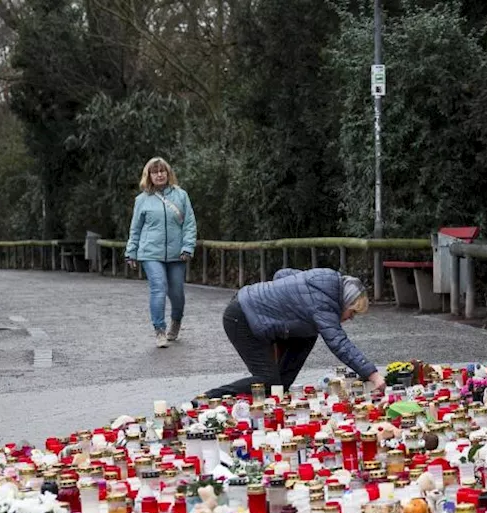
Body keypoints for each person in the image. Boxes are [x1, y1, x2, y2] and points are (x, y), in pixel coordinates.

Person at [207, 268, 385, 399]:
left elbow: (281, 274)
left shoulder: (324, 281)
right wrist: (373, 375)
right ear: (344, 302)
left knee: (307, 335)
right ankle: (210, 398)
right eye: (352, 312)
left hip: (248, 308)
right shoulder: (323, 302)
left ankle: (277, 396)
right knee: (268, 380)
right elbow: (339, 343)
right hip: (242, 318)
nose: (350, 318)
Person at [126, 157, 197, 348]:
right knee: (158, 287)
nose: (159, 174)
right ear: (148, 175)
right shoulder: (142, 200)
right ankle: (159, 330)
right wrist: (131, 252)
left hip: (177, 254)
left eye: (162, 171)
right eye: (155, 171)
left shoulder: (181, 196)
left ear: (168, 173)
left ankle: (176, 321)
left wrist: (187, 247)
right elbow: (136, 228)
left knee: (177, 292)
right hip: (150, 253)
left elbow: (189, 224)